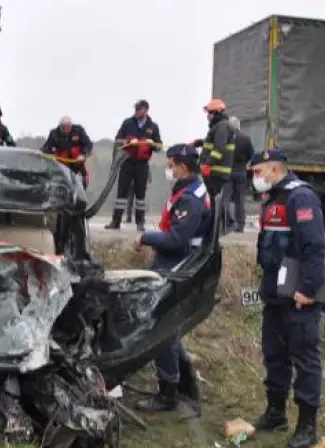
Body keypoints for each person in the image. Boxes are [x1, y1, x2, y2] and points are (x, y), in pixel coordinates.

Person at [249, 148, 325, 448]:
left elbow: (314, 246)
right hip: (276, 293)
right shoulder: (272, 198)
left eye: (258, 172)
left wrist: (308, 289)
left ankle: (307, 425)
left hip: (299, 293)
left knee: (304, 357)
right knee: (274, 353)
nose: (255, 178)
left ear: (273, 169)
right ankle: (275, 412)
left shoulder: (300, 197)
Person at [133, 143, 212, 417]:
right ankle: (183, 383)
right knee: (171, 327)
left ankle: (168, 392)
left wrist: (147, 236)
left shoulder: (190, 198)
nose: (168, 169)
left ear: (182, 166)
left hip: (177, 265)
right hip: (176, 263)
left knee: (161, 328)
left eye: (170, 165)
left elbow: (178, 240)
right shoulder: (188, 190)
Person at [106, 99, 162, 231]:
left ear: (146, 110)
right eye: (135, 109)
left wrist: (151, 143)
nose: (136, 111)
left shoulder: (153, 127)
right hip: (127, 162)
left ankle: (140, 223)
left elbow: (159, 146)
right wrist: (129, 141)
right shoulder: (127, 123)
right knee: (121, 194)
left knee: (140, 196)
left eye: (139, 109)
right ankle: (116, 221)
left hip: (142, 165)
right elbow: (118, 139)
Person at [193, 99, 236, 203]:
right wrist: (198, 143)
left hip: (217, 173)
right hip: (215, 172)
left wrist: (208, 164)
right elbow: (214, 143)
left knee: (214, 203)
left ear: (216, 113)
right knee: (212, 202)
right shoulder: (219, 126)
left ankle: (214, 220)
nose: (207, 116)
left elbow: (219, 148)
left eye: (209, 113)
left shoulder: (222, 126)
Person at [41, 116, 94, 188]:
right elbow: (46, 147)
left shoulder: (78, 130)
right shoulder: (54, 133)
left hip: (77, 164)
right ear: (59, 127)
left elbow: (88, 144)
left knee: (74, 150)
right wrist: (44, 153)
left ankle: (82, 178)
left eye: (68, 128)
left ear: (71, 126)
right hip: (61, 164)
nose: (66, 130)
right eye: (63, 128)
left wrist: (84, 154)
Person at [226, 116, 254, 232]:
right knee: (240, 199)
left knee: (226, 198)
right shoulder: (245, 138)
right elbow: (251, 154)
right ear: (238, 125)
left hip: (227, 172)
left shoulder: (225, 138)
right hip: (241, 171)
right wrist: (243, 163)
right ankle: (240, 224)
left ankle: (228, 222)